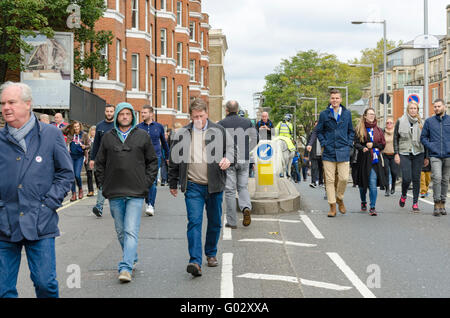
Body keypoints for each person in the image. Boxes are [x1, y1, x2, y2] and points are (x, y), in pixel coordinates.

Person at [0, 81, 73, 298]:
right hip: (4, 223)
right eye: (3, 103)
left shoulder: (50, 134)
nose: (6, 107)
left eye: (11, 102)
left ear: (28, 104)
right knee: (3, 290)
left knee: (45, 284)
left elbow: (65, 173)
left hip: (40, 221)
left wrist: (49, 204)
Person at [169, 98, 234, 277]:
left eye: (201, 116)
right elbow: (174, 159)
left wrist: (228, 158)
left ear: (207, 114)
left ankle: (211, 253)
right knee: (194, 222)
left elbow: (231, 149)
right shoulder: (183, 133)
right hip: (193, 185)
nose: (198, 119)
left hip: (214, 185)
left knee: (214, 222)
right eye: (195, 116)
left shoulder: (219, 130)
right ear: (190, 116)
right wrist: (173, 182)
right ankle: (195, 261)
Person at [95, 102, 158, 283]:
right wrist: (102, 184)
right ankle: (132, 256)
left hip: (136, 191)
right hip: (114, 190)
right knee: (121, 231)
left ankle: (126, 267)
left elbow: (153, 162)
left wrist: (146, 183)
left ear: (132, 116)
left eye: (127, 114)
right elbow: (99, 163)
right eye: (121, 114)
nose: (124, 116)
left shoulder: (142, 136)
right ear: (116, 117)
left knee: (131, 230)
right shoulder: (108, 137)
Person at [316, 89, 354, 218]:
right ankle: (332, 206)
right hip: (329, 151)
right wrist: (324, 143)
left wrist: (349, 144)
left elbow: (351, 131)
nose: (335, 100)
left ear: (341, 100)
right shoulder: (324, 114)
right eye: (333, 98)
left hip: (343, 150)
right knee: (330, 180)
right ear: (330, 100)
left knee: (344, 178)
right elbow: (319, 131)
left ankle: (339, 198)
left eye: (337, 98)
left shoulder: (347, 114)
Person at [218, 101, 256, 229]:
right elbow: (256, 138)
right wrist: (247, 149)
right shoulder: (247, 122)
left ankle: (232, 222)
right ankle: (246, 207)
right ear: (238, 109)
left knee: (229, 191)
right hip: (244, 158)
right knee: (242, 187)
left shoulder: (221, 124)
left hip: (229, 159)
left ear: (227, 110)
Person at [394, 101, 428, 213]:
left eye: (415, 108)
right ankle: (404, 195)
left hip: (419, 152)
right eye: (411, 108)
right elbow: (395, 138)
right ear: (408, 110)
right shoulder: (400, 121)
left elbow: (426, 140)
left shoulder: (422, 123)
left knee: (416, 178)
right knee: (407, 178)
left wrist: (426, 156)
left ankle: (415, 203)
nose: (413, 110)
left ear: (418, 110)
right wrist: (396, 153)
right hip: (404, 152)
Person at [137, 105, 170, 216]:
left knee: (153, 181)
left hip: (155, 157)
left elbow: (164, 143)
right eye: (142, 113)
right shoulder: (138, 127)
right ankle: (148, 201)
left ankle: (151, 204)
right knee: (144, 182)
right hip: (141, 158)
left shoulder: (159, 127)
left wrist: (168, 157)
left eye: (145, 112)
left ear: (151, 114)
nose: (142, 115)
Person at [353, 108, 387, 216]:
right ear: (365, 116)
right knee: (362, 185)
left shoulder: (379, 130)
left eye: (373, 114)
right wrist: (362, 148)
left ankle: (372, 207)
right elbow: (355, 143)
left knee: (372, 183)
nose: (372, 116)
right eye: (370, 114)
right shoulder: (359, 129)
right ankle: (363, 201)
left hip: (374, 160)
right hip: (363, 159)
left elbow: (382, 144)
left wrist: (374, 145)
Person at [420, 98, 450, 216]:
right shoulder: (429, 121)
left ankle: (443, 203)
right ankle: (436, 203)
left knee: (445, 180)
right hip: (435, 155)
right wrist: (432, 146)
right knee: (437, 178)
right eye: (435, 106)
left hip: (448, 155)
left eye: (439, 106)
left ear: (444, 107)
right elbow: (423, 138)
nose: (436, 108)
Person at [89, 104, 115, 217]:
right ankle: (99, 206)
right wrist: (92, 158)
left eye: (111, 111)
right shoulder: (99, 125)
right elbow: (96, 144)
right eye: (107, 111)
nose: (109, 113)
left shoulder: (118, 125)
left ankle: (118, 207)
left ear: (114, 112)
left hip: (116, 158)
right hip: (102, 159)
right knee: (102, 182)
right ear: (105, 112)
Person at [63, 121, 90, 201]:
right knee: (71, 175)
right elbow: (62, 131)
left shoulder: (84, 134)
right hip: (70, 156)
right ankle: (74, 193)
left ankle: (80, 189)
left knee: (77, 175)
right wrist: (69, 126)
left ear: (80, 126)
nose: (76, 128)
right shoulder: (70, 134)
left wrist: (84, 146)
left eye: (77, 126)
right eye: (74, 127)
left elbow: (89, 145)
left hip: (80, 157)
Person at [382, 117, 399, 197]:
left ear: (393, 124)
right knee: (386, 172)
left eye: (390, 123)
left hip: (394, 155)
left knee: (394, 172)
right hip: (385, 154)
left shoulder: (396, 132)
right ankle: (387, 189)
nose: (389, 124)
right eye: (387, 123)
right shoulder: (382, 132)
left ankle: (393, 186)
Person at [305, 121, 324, 188]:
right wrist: (306, 155)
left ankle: (321, 182)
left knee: (321, 169)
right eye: (315, 125)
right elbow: (307, 144)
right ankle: (313, 182)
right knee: (314, 168)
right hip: (314, 154)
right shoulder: (311, 134)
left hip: (322, 155)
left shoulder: (323, 134)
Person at [85, 125, 96, 197]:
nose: (93, 132)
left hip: (96, 159)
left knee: (97, 174)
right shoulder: (87, 139)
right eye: (91, 130)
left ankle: (100, 189)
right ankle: (90, 190)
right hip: (88, 158)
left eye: (94, 130)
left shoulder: (98, 139)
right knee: (89, 175)